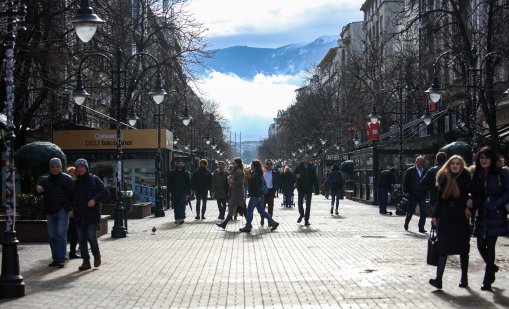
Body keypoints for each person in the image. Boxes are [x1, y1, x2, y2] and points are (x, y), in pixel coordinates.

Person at [428, 155, 472, 290]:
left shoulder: (466, 178)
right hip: (446, 217)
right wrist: (434, 215)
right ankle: (438, 279)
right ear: (449, 164)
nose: (455, 166)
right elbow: (440, 200)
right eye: (452, 163)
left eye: (458, 164)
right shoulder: (444, 178)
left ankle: (464, 278)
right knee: (443, 249)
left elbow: (472, 194)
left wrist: (469, 205)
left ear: (461, 165)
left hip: (460, 217)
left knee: (463, 248)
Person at [470, 146, 509, 291]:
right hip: (482, 213)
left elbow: (507, 191)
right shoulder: (477, 173)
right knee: (480, 245)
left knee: (491, 246)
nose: (483, 160)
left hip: (496, 214)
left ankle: (487, 280)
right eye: (481, 157)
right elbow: (473, 191)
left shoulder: (500, 174)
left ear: (492, 159)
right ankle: (492, 267)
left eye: (486, 157)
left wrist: (497, 203)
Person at [72, 158, 109, 271]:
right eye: (78, 167)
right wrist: (70, 209)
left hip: (92, 215)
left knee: (90, 236)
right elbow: (69, 198)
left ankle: (96, 255)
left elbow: (105, 192)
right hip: (78, 215)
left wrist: (95, 200)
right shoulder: (74, 183)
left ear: (86, 168)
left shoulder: (94, 179)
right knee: (82, 239)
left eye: (82, 166)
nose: (80, 169)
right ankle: (86, 261)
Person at [35, 158, 73, 268]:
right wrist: (37, 188)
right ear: (50, 168)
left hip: (62, 210)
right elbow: (37, 191)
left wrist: (67, 208)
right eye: (52, 166)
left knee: (61, 233)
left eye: (57, 166)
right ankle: (55, 258)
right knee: (52, 235)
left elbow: (71, 195)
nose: (55, 168)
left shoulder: (67, 179)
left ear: (61, 167)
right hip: (50, 210)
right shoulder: (45, 180)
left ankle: (61, 258)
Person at [239, 160, 279, 233]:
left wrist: (258, 196)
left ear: (254, 166)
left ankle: (248, 226)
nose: (251, 166)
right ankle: (274, 223)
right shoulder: (257, 173)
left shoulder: (256, 174)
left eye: (252, 165)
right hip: (259, 195)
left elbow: (257, 186)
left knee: (249, 210)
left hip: (256, 195)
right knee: (261, 211)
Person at [216, 157, 245, 229]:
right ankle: (224, 224)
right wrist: (230, 181)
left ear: (237, 163)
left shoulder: (238, 171)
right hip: (236, 192)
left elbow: (240, 183)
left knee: (232, 209)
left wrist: (231, 181)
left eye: (234, 162)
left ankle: (224, 224)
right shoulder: (236, 170)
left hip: (237, 193)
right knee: (242, 209)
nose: (233, 163)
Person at [403, 155, 428, 233]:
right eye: (420, 161)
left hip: (422, 194)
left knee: (423, 211)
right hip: (412, 194)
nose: (422, 163)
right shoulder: (410, 171)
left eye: (423, 161)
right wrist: (405, 191)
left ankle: (421, 227)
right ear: (416, 162)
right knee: (411, 210)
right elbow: (405, 182)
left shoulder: (425, 171)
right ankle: (407, 222)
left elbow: (427, 182)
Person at [293, 154, 320, 226]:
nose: (307, 159)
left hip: (309, 188)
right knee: (299, 203)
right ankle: (302, 215)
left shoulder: (312, 168)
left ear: (309, 159)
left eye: (308, 158)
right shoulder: (299, 166)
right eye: (305, 158)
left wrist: (317, 190)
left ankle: (306, 220)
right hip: (301, 187)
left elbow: (315, 179)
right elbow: (294, 174)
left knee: (308, 205)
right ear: (303, 159)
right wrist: (296, 175)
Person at [168, 159, 191, 224]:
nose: (180, 165)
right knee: (176, 205)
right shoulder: (172, 173)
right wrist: (170, 191)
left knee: (182, 205)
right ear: (176, 164)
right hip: (174, 192)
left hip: (183, 192)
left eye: (181, 163)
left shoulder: (186, 173)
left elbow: (188, 183)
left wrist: (189, 193)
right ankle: (177, 218)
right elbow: (169, 182)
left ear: (183, 164)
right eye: (179, 163)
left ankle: (181, 218)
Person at [66, 166, 80, 259]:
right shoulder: (67, 185)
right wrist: (69, 209)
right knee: (72, 232)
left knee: (75, 232)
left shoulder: (78, 185)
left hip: (78, 211)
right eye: (69, 175)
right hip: (70, 211)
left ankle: (73, 252)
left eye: (73, 175)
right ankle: (71, 252)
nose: (71, 177)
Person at [261, 159, 279, 226]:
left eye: (270, 164)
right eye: (267, 164)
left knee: (270, 206)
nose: (269, 165)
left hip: (271, 190)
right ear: (265, 165)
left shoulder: (274, 172)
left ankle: (270, 220)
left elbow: (277, 181)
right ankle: (262, 218)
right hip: (263, 191)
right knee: (262, 206)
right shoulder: (262, 172)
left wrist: (275, 189)